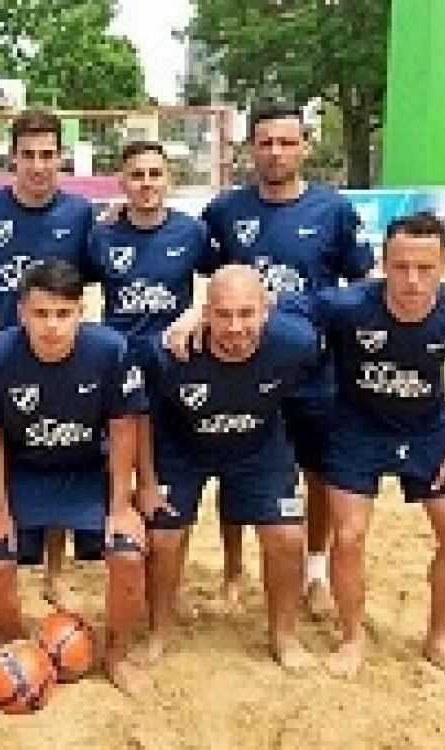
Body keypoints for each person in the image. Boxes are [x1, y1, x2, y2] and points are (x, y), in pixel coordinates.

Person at [166, 103, 374, 614]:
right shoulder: (225, 211)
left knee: (317, 471)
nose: (276, 153)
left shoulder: (334, 211)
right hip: (241, 366)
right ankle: (234, 571)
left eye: (286, 143)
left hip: (311, 368)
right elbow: (198, 270)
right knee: (236, 461)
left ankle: (315, 569)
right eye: (265, 143)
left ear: (305, 147)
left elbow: (362, 285)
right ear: (250, 150)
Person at [282, 212, 445, 680]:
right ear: (383, 263)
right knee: (349, 535)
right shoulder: (348, 305)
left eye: (425, 269)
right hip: (356, 429)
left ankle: (438, 638)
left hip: (427, 433)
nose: (411, 279)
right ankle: (352, 637)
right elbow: (279, 305)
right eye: (400, 266)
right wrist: (202, 314)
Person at [0, 259, 150, 696]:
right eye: (41, 314)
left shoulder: (111, 350)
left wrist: (122, 504)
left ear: (81, 311)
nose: (52, 326)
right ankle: (18, 649)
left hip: (89, 469)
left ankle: (116, 655)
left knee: (129, 556)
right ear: (21, 313)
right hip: (25, 471)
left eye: (63, 314)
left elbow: (125, 426)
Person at [136, 266, 320, 668]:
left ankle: (283, 636)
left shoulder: (297, 342)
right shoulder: (166, 352)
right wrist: (147, 482)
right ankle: (158, 632)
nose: (235, 327)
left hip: (259, 449)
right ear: (205, 313)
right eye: (222, 314)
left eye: (246, 314)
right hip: (182, 450)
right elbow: (137, 416)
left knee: (288, 537)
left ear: (265, 312)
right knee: (164, 539)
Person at [0, 109, 97, 611]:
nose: (38, 166)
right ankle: (4, 551)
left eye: (47, 155)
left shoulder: (81, 214)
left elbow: (89, 279)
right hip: (1, 357)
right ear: (11, 157)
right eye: (28, 155)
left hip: (62, 356)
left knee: (55, 452)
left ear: (61, 158)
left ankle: (55, 572)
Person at [84, 141, 217, 618]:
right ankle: (125, 573)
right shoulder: (101, 237)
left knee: (167, 478)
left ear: (169, 180)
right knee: (120, 472)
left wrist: (196, 316)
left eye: (154, 174)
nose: (145, 183)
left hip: (173, 367)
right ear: (121, 182)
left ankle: (171, 585)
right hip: (116, 370)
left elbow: (223, 284)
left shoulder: (194, 233)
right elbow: (70, 288)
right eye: (136, 174)